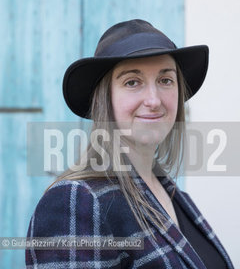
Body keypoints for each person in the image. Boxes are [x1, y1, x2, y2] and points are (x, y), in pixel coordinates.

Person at [25, 19, 234, 268]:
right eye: (132, 82)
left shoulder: (177, 197)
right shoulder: (76, 202)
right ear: (106, 99)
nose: (154, 100)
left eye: (165, 80)